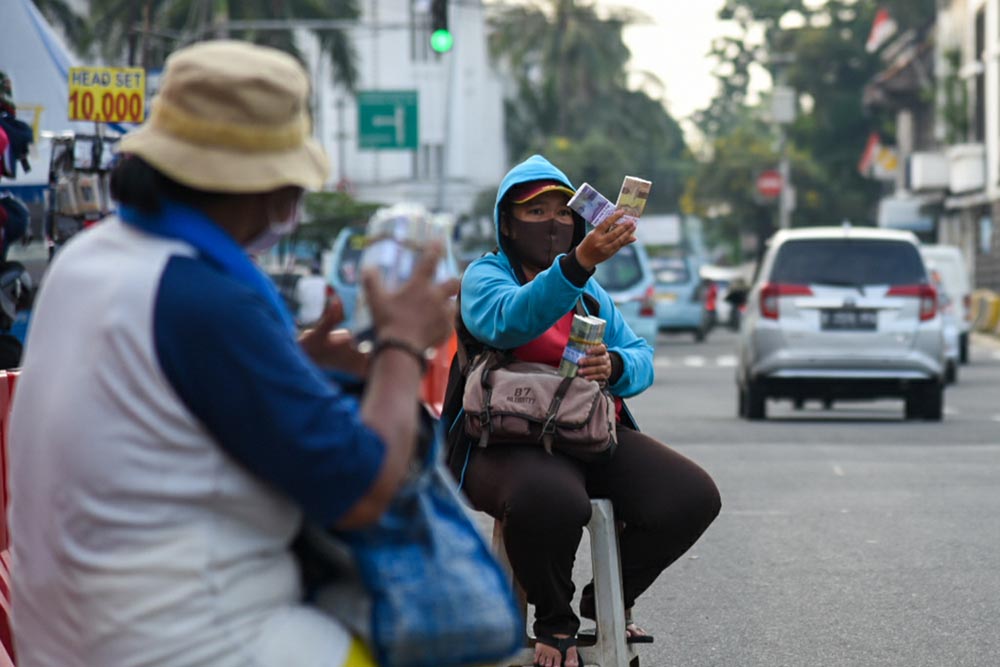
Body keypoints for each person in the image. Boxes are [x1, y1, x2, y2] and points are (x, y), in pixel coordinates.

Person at [7, 40, 458, 667]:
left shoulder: (90, 260)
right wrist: (403, 345)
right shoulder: (205, 300)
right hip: (198, 642)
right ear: (272, 188)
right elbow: (361, 490)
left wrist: (293, 365)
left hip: (64, 636)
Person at [448, 155, 721, 667]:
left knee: (691, 497)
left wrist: (613, 364)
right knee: (552, 500)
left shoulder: (590, 291)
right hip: (505, 439)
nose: (552, 223)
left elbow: (641, 356)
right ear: (506, 223)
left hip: (585, 429)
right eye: (535, 212)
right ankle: (554, 623)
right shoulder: (485, 276)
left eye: (562, 211)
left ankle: (608, 598)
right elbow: (509, 321)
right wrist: (576, 265)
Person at [296, 261, 331, 327]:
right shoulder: (325, 282)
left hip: (305, 319)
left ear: (310, 271)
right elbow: (328, 301)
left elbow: (298, 299)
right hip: (320, 319)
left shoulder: (302, 281)